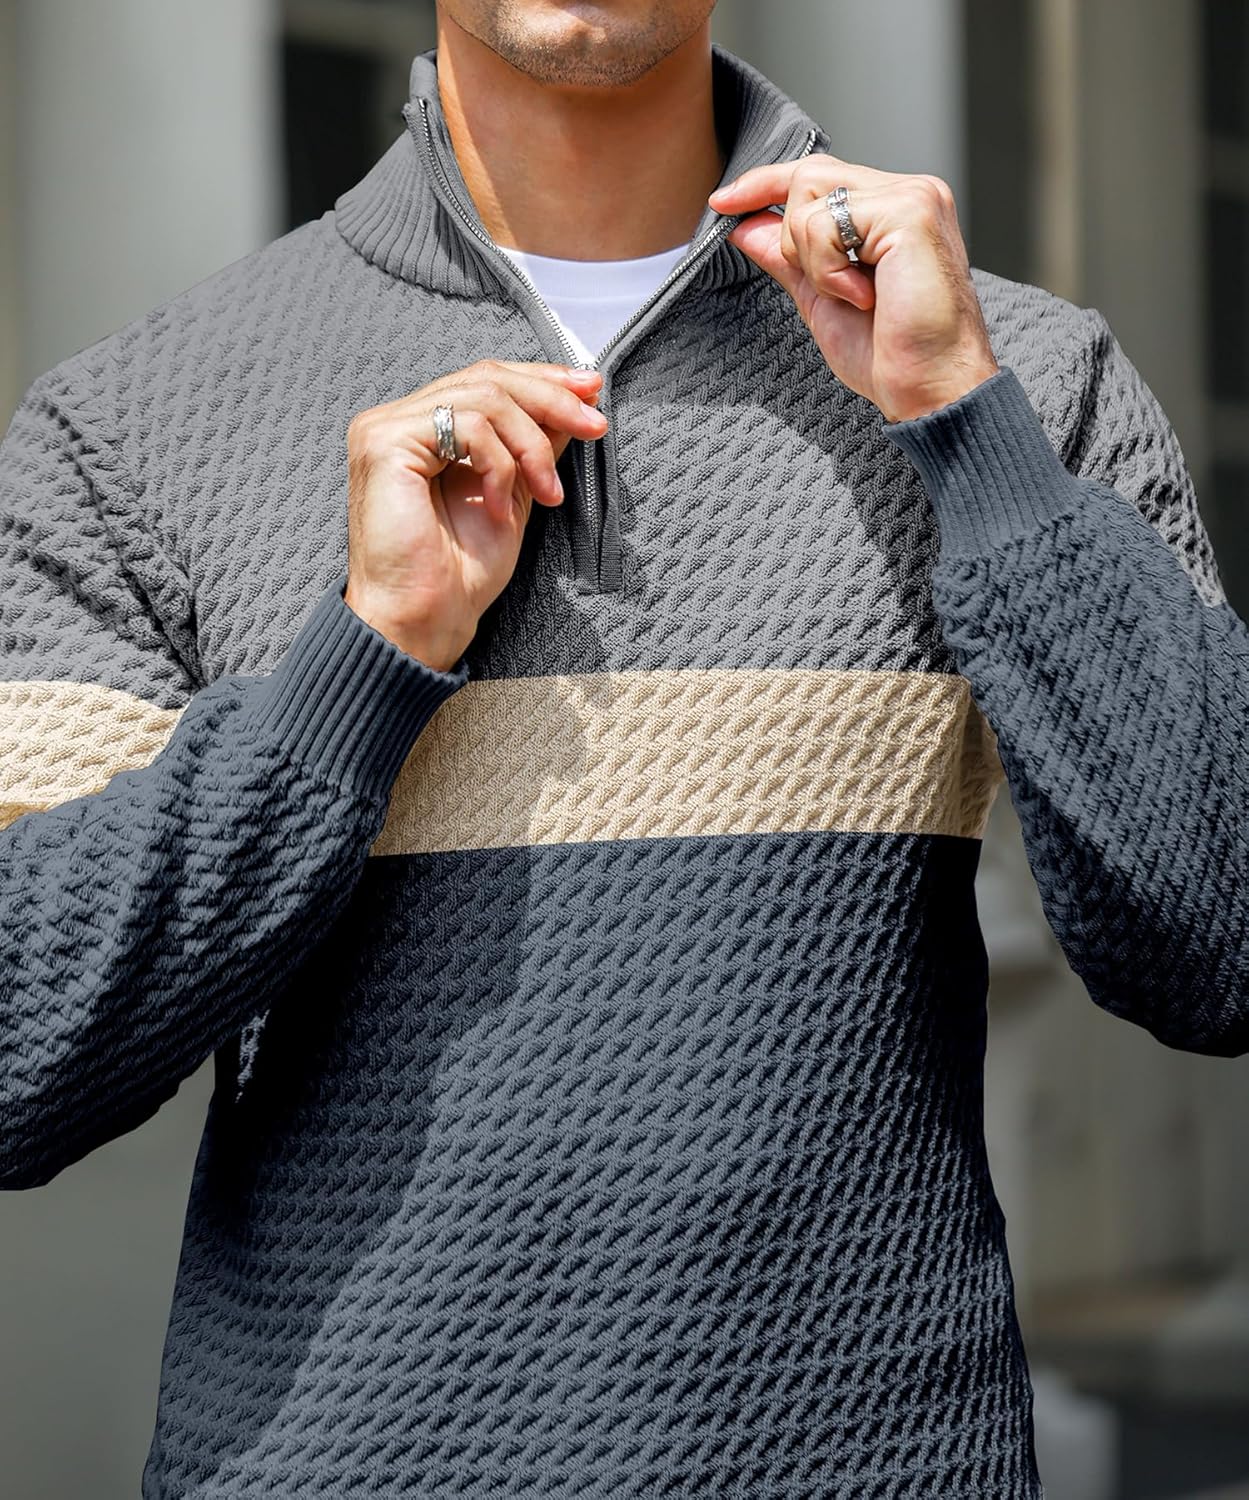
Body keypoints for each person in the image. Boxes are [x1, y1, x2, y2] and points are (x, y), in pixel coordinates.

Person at [0, 2, 1244, 1495]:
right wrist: (365, 660)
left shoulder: (1017, 379)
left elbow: (1216, 944)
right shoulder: (134, 421)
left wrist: (968, 436)